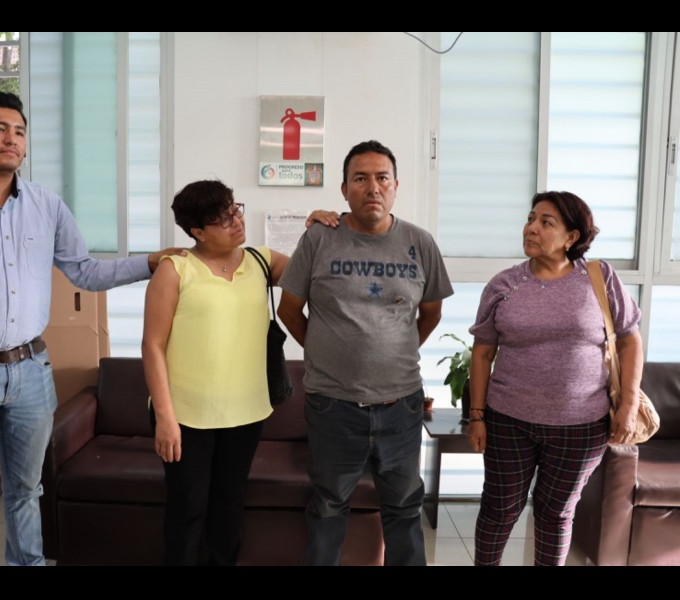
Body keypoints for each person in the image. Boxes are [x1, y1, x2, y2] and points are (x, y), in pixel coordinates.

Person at [0, 92, 181, 566]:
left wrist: (150, 262)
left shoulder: (46, 205)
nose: (12, 139)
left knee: (28, 490)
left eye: (19, 131)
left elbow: (84, 271)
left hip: (30, 373)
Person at [277, 140, 454, 566]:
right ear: (344, 189)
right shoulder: (319, 238)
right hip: (332, 406)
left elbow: (431, 313)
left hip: (401, 406)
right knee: (328, 505)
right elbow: (288, 310)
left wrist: (396, 352)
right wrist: (324, 352)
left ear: (396, 186)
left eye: (381, 178)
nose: (372, 187)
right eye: (360, 178)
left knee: (404, 507)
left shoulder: (420, 242)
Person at [141, 179, 336, 565]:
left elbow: (315, 273)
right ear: (197, 231)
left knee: (229, 506)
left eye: (235, 209)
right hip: (186, 417)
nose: (236, 221)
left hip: (246, 414)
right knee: (187, 508)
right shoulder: (175, 270)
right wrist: (165, 418)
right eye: (223, 218)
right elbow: (152, 346)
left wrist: (317, 229)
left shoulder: (262, 261)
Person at [467, 191, 643, 566]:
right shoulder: (503, 284)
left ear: (571, 237)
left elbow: (630, 340)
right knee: (499, 509)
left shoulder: (599, 277)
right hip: (508, 420)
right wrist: (477, 416)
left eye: (546, 222)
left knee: (557, 513)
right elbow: (482, 353)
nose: (531, 228)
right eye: (530, 218)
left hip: (582, 425)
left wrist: (628, 406)